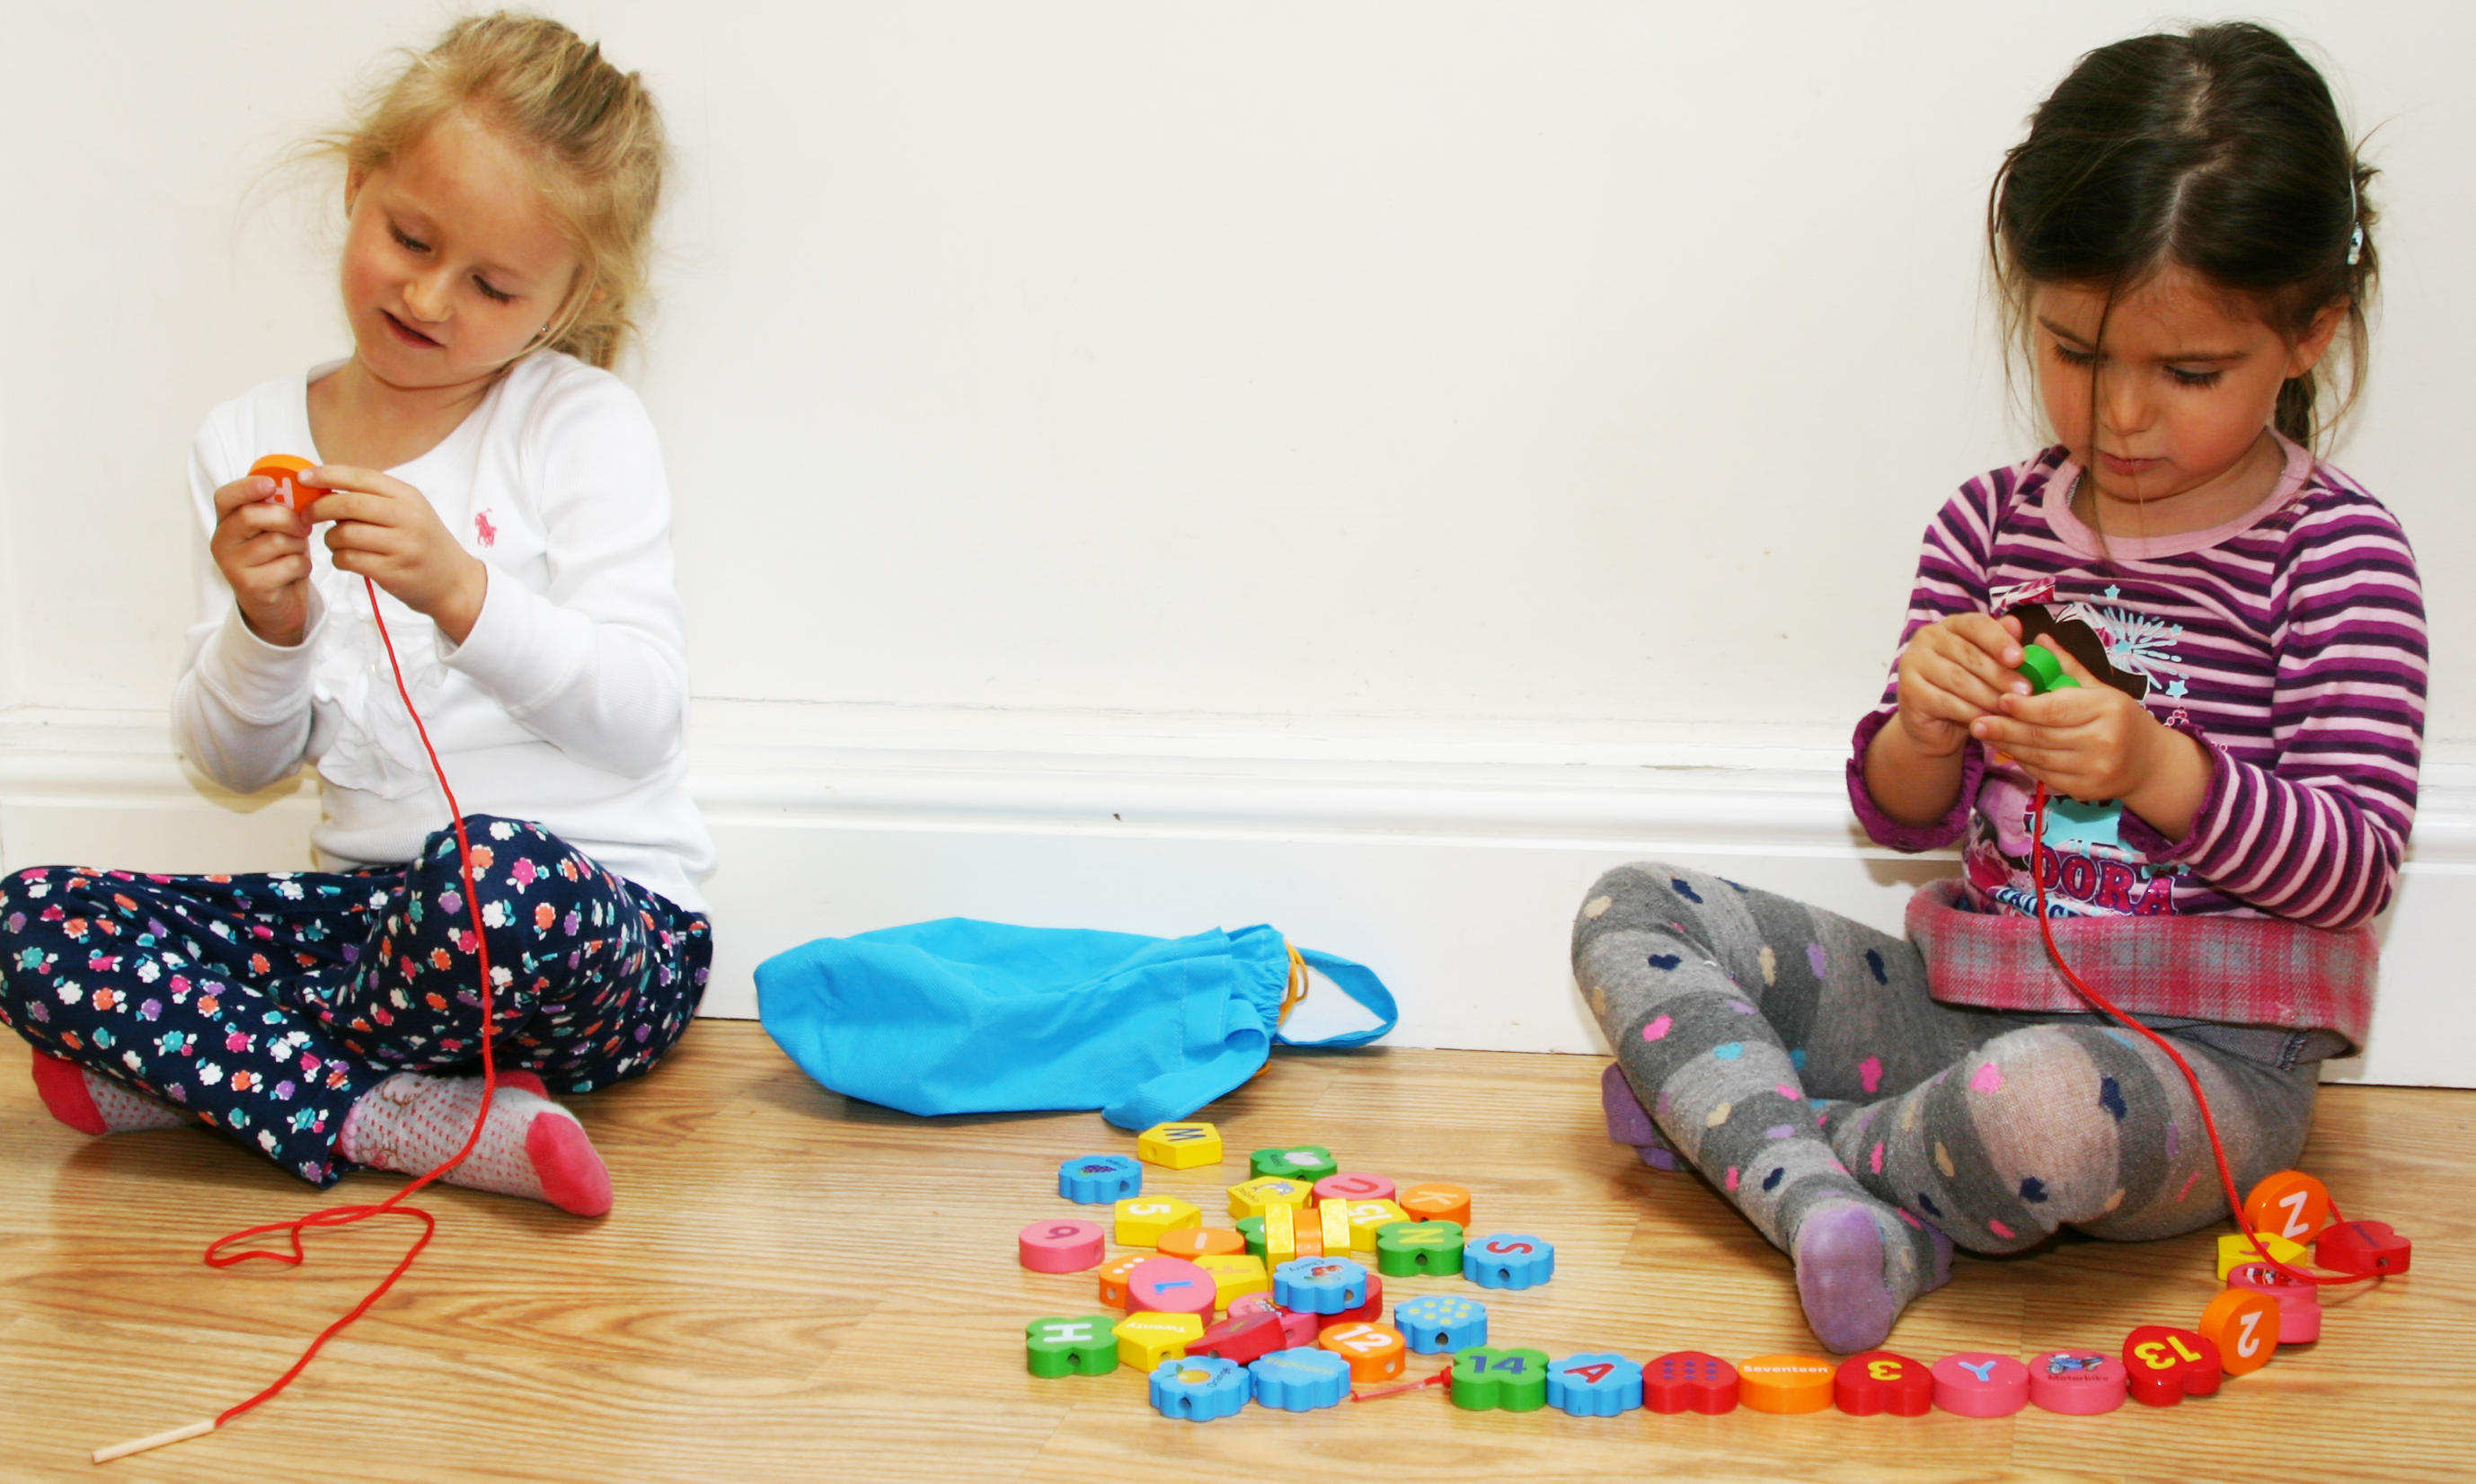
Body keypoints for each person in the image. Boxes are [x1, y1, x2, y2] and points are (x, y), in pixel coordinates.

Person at [1577, 22, 2424, 1353]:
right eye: (2075, 352)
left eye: (2186, 373)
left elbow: (2355, 870)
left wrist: (2160, 771)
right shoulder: (1988, 523)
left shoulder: (2339, 555)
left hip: (2191, 1068)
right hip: (1957, 1000)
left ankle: (1762, 1148)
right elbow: (1904, 821)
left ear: (2310, 330)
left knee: (2034, 1110)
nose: (2119, 417)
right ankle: (1836, 1191)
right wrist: (1920, 722)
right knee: (1632, 909)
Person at [0, 14, 712, 1216]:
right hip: (365, 928)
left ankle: (223, 1075)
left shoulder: (576, 423)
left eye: (490, 284)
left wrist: (461, 592)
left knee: (490, 880)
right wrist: (265, 625)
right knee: (30, 918)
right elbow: (232, 764)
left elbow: (645, 721)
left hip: (583, 927)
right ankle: (388, 1114)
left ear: (566, 297)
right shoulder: (244, 437)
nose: (431, 296)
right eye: (409, 237)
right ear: (355, 184)